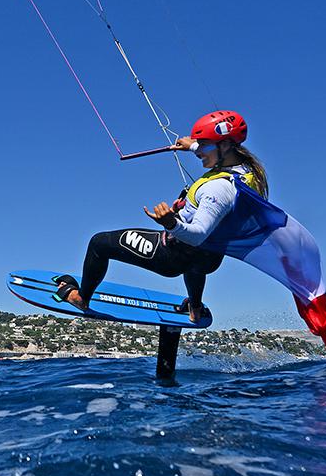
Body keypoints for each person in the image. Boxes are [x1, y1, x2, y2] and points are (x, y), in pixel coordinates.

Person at [54, 110, 265, 323]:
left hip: (171, 256)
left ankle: (81, 298)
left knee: (99, 243)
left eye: (203, 145)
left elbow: (198, 234)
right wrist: (190, 145)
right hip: (208, 259)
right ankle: (195, 307)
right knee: (197, 260)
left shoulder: (218, 188)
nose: (199, 150)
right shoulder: (248, 173)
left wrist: (171, 222)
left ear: (226, 145)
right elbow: (215, 219)